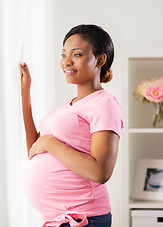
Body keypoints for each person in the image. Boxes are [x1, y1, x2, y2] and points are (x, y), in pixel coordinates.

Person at [19, 24, 124, 227]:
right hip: (61, 219)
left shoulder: (105, 103)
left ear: (100, 60)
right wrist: (25, 93)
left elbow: (100, 172)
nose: (67, 61)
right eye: (64, 54)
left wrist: (50, 143)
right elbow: (34, 149)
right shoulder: (69, 107)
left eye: (77, 54)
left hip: (84, 217)